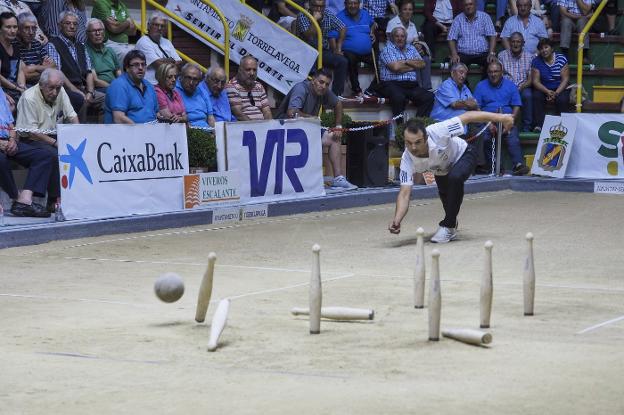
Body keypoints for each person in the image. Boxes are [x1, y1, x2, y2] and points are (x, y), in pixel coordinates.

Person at [388, 110, 514, 243]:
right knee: (447, 199)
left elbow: (468, 116)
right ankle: (452, 223)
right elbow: (404, 194)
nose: (413, 147)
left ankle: (448, 225)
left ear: (426, 138)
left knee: (455, 177)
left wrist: (502, 118)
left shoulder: (438, 131)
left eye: (418, 142)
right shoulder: (406, 159)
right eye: (409, 143)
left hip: (465, 154)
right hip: (441, 170)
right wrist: (397, 220)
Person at [275, 67, 357, 190]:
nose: (323, 86)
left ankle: (338, 178)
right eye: (321, 82)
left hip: (307, 129)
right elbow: (292, 113)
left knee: (334, 137)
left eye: (327, 84)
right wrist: (312, 118)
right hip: (285, 129)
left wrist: (338, 126)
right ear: (313, 80)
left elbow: (338, 104)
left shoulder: (323, 91)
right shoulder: (301, 88)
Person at [15, 68, 78, 213]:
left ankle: (76, 197)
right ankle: (54, 201)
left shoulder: (60, 91)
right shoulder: (29, 97)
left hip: (52, 136)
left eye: (58, 88)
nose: (55, 93)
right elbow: (32, 133)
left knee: (75, 151)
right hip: (30, 139)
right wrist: (56, 143)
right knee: (54, 154)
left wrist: (77, 134)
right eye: (51, 88)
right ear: (41, 85)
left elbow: (72, 116)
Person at [0, 86, 53, 217]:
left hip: (8, 139)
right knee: (1, 160)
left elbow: (11, 124)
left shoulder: (0, 92)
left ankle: (25, 199)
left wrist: (12, 139)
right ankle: (17, 198)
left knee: (45, 156)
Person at [46, 10, 104, 122]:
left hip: (84, 88)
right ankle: (80, 133)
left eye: (75, 24)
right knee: (80, 99)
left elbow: (89, 71)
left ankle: (101, 133)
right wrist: (76, 91)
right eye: (68, 23)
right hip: (65, 89)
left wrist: (91, 92)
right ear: (60, 25)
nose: (72, 26)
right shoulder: (53, 44)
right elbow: (57, 72)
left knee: (107, 98)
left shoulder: (81, 45)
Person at [473, 60, 530, 175]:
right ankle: (495, 166)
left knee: (512, 137)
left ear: (502, 72)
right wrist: (488, 124)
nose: (493, 74)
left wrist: (510, 121)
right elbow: (476, 107)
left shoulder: (511, 85)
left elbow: (517, 105)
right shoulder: (481, 86)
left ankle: (518, 165)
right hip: (486, 120)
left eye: (496, 71)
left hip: (505, 119)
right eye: (490, 72)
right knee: (485, 137)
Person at [378, 26, 434, 119]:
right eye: (397, 36)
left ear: (405, 38)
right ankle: (400, 127)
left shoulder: (411, 48)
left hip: (411, 85)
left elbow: (422, 64)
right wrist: (413, 66)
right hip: (391, 84)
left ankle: (417, 124)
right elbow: (395, 67)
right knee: (399, 97)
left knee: (429, 97)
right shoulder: (387, 50)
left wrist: (406, 61)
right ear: (392, 38)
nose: (400, 39)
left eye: (402, 36)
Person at [297, 0, 348, 97]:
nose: (319, 9)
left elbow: (343, 28)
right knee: (314, 42)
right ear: (310, 5)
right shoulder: (303, 15)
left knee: (342, 61)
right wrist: (314, 20)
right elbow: (309, 36)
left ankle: (335, 95)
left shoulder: (327, 13)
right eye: (316, 6)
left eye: (322, 6)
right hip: (306, 51)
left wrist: (338, 48)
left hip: (323, 51)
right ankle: (311, 93)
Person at [104, 49, 159, 124]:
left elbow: (156, 113)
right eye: (136, 64)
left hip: (152, 130)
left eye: (143, 64)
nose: (140, 68)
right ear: (127, 68)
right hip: (126, 134)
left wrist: (164, 119)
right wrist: (139, 131)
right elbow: (119, 118)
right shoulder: (118, 85)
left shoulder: (149, 86)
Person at [385, 0, 432, 89]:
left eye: (410, 10)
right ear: (400, 10)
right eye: (405, 9)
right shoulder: (392, 23)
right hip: (396, 54)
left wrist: (418, 46)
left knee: (425, 59)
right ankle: (418, 88)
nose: (408, 12)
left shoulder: (412, 25)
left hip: (409, 53)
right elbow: (391, 43)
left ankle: (427, 88)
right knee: (415, 61)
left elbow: (415, 41)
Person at [337, 0, 376, 97]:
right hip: (350, 52)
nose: (353, 5)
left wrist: (372, 32)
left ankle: (372, 89)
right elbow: (332, 36)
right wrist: (336, 50)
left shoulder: (365, 14)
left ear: (359, 4)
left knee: (382, 62)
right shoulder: (339, 17)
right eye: (350, 3)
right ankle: (356, 90)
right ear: (345, 4)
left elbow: (373, 24)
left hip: (367, 53)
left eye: (355, 3)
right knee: (350, 59)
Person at [530, 37, 569, 132]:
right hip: (544, 87)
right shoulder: (536, 61)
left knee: (562, 99)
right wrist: (547, 92)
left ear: (552, 48)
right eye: (541, 49)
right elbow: (535, 81)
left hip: (559, 87)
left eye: (546, 47)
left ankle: (561, 125)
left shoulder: (561, 58)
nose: (544, 50)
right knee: (536, 96)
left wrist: (556, 93)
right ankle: (538, 125)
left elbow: (565, 79)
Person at [447, 0, 497, 73]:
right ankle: (464, 84)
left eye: (471, 4)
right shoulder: (458, 19)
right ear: (463, 7)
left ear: (475, 5)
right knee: (455, 65)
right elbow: (451, 38)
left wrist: (491, 53)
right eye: (466, 5)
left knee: (493, 64)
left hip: (483, 54)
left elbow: (492, 36)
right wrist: (454, 54)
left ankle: (482, 84)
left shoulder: (485, 17)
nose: (468, 7)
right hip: (463, 54)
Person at [498, 31, 533, 131]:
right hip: (507, 87)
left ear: (523, 43)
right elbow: (499, 76)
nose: (515, 44)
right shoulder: (502, 55)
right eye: (513, 42)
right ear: (509, 42)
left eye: (518, 42)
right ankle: (504, 126)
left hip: (523, 86)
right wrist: (510, 89)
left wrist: (521, 87)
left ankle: (527, 128)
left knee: (528, 95)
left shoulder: (530, 57)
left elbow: (530, 79)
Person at [135, 12, 182, 85]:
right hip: (152, 84)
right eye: (156, 25)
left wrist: (164, 61)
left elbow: (179, 63)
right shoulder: (143, 42)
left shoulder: (167, 42)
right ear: (149, 26)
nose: (159, 28)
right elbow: (159, 65)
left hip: (169, 83)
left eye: (162, 26)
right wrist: (170, 60)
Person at [225, 55, 272, 121]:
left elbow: (267, 112)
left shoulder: (259, 86)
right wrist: (255, 128)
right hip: (244, 128)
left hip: (262, 127)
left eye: (254, 70)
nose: (252, 73)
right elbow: (238, 114)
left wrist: (269, 126)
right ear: (240, 70)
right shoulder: (232, 86)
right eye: (248, 69)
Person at [17, 13, 54, 87]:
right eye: (26, 28)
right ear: (19, 29)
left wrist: (34, 67)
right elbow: (25, 74)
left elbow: (54, 66)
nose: (31, 32)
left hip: (43, 85)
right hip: (26, 87)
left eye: (33, 28)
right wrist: (44, 68)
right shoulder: (15, 46)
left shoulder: (36, 43)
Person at [85, 17, 120, 93]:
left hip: (114, 86)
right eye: (94, 31)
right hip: (100, 88)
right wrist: (114, 88)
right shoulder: (85, 51)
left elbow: (119, 74)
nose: (98, 33)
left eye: (100, 30)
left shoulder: (110, 50)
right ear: (87, 34)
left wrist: (121, 87)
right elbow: (95, 81)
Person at [176, 63, 214, 128]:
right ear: (181, 76)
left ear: (199, 81)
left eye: (195, 79)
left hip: (206, 129)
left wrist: (213, 132)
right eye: (188, 78)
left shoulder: (201, 90)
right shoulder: (174, 90)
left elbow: (210, 117)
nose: (191, 83)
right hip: (186, 129)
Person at [0, 12, 26, 103]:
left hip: (15, 88)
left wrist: (22, 86)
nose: (13, 31)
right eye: (8, 27)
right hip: (3, 89)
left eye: (15, 27)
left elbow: (19, 71)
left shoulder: (15, 47)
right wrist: (16, 88)